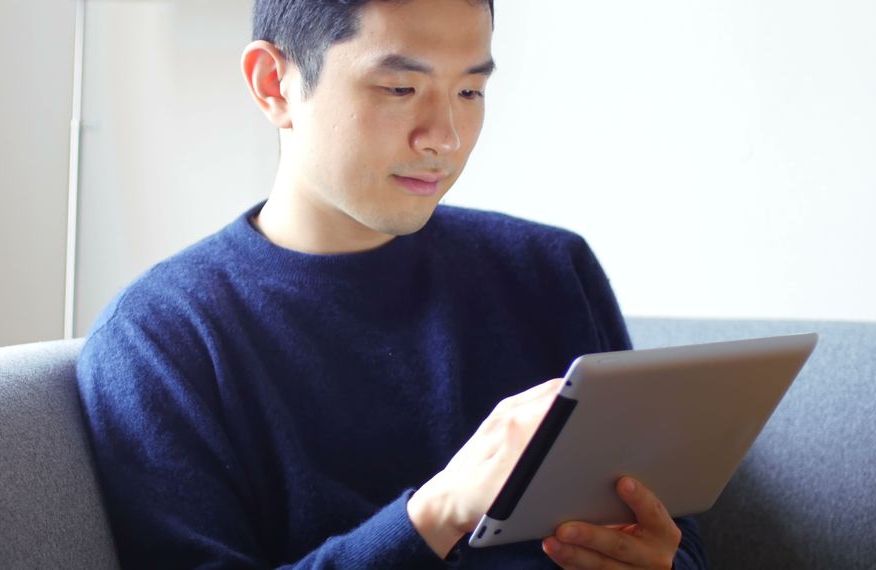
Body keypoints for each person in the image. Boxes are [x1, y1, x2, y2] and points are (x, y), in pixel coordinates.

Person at [76, 0, 708, 568]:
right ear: (274, 85)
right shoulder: (161, 341)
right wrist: (437, 514)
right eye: (401, 87)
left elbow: (677, 537)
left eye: (469, 93)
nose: (446, 139)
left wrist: (656, 559)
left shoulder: (550, 270)